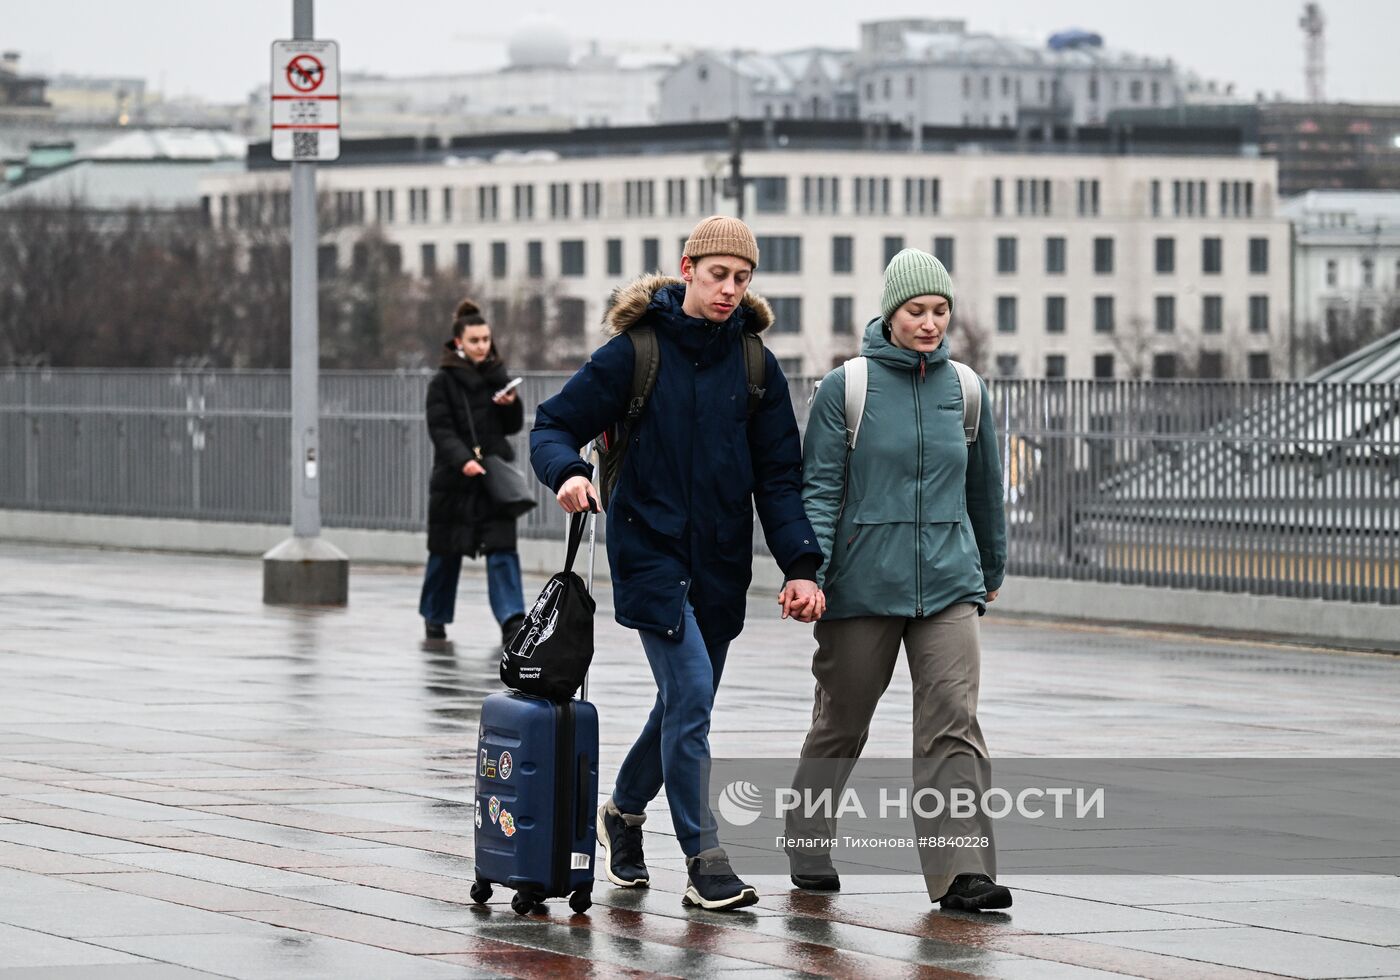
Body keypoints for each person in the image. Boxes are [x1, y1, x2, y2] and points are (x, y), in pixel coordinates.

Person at [530, 215, 825, 912]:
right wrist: (569, 473)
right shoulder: (635, 353)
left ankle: (622, 813)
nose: (730, 289)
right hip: (649, 552)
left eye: (743, 278)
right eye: (719, 274)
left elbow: (779, 477)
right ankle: (705, 860)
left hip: (721, 562)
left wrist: (801, 567)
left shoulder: (755, 365)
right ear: (687, 267)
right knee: (691, 696)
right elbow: (551, 424)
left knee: (680, 704)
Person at [788, 248, 1012, 911]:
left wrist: (988, 569)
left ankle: (961, 872)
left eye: (940, 310)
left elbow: (984, 490)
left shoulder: (966, 390)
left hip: (949, 581)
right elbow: (821, 491)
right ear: (891, 313)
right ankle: (807, 834)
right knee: (842, 720)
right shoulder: (846, 388)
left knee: (953, 724)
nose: (930, 322)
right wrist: (812, 574)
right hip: (861, 584)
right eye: (917, 310)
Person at [419, 299, 527, 646]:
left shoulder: (498, 376)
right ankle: (434, 617)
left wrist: (512, 405)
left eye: (486, 339)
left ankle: (512, 619)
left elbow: (511, 427)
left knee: (502, 550)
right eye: (475, 340)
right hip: (454, 481)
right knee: (445, 553)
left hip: (492, 480)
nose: (482, 346)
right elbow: (440, 428)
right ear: (458, 343)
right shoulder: (443, 382)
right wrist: (462, 459)